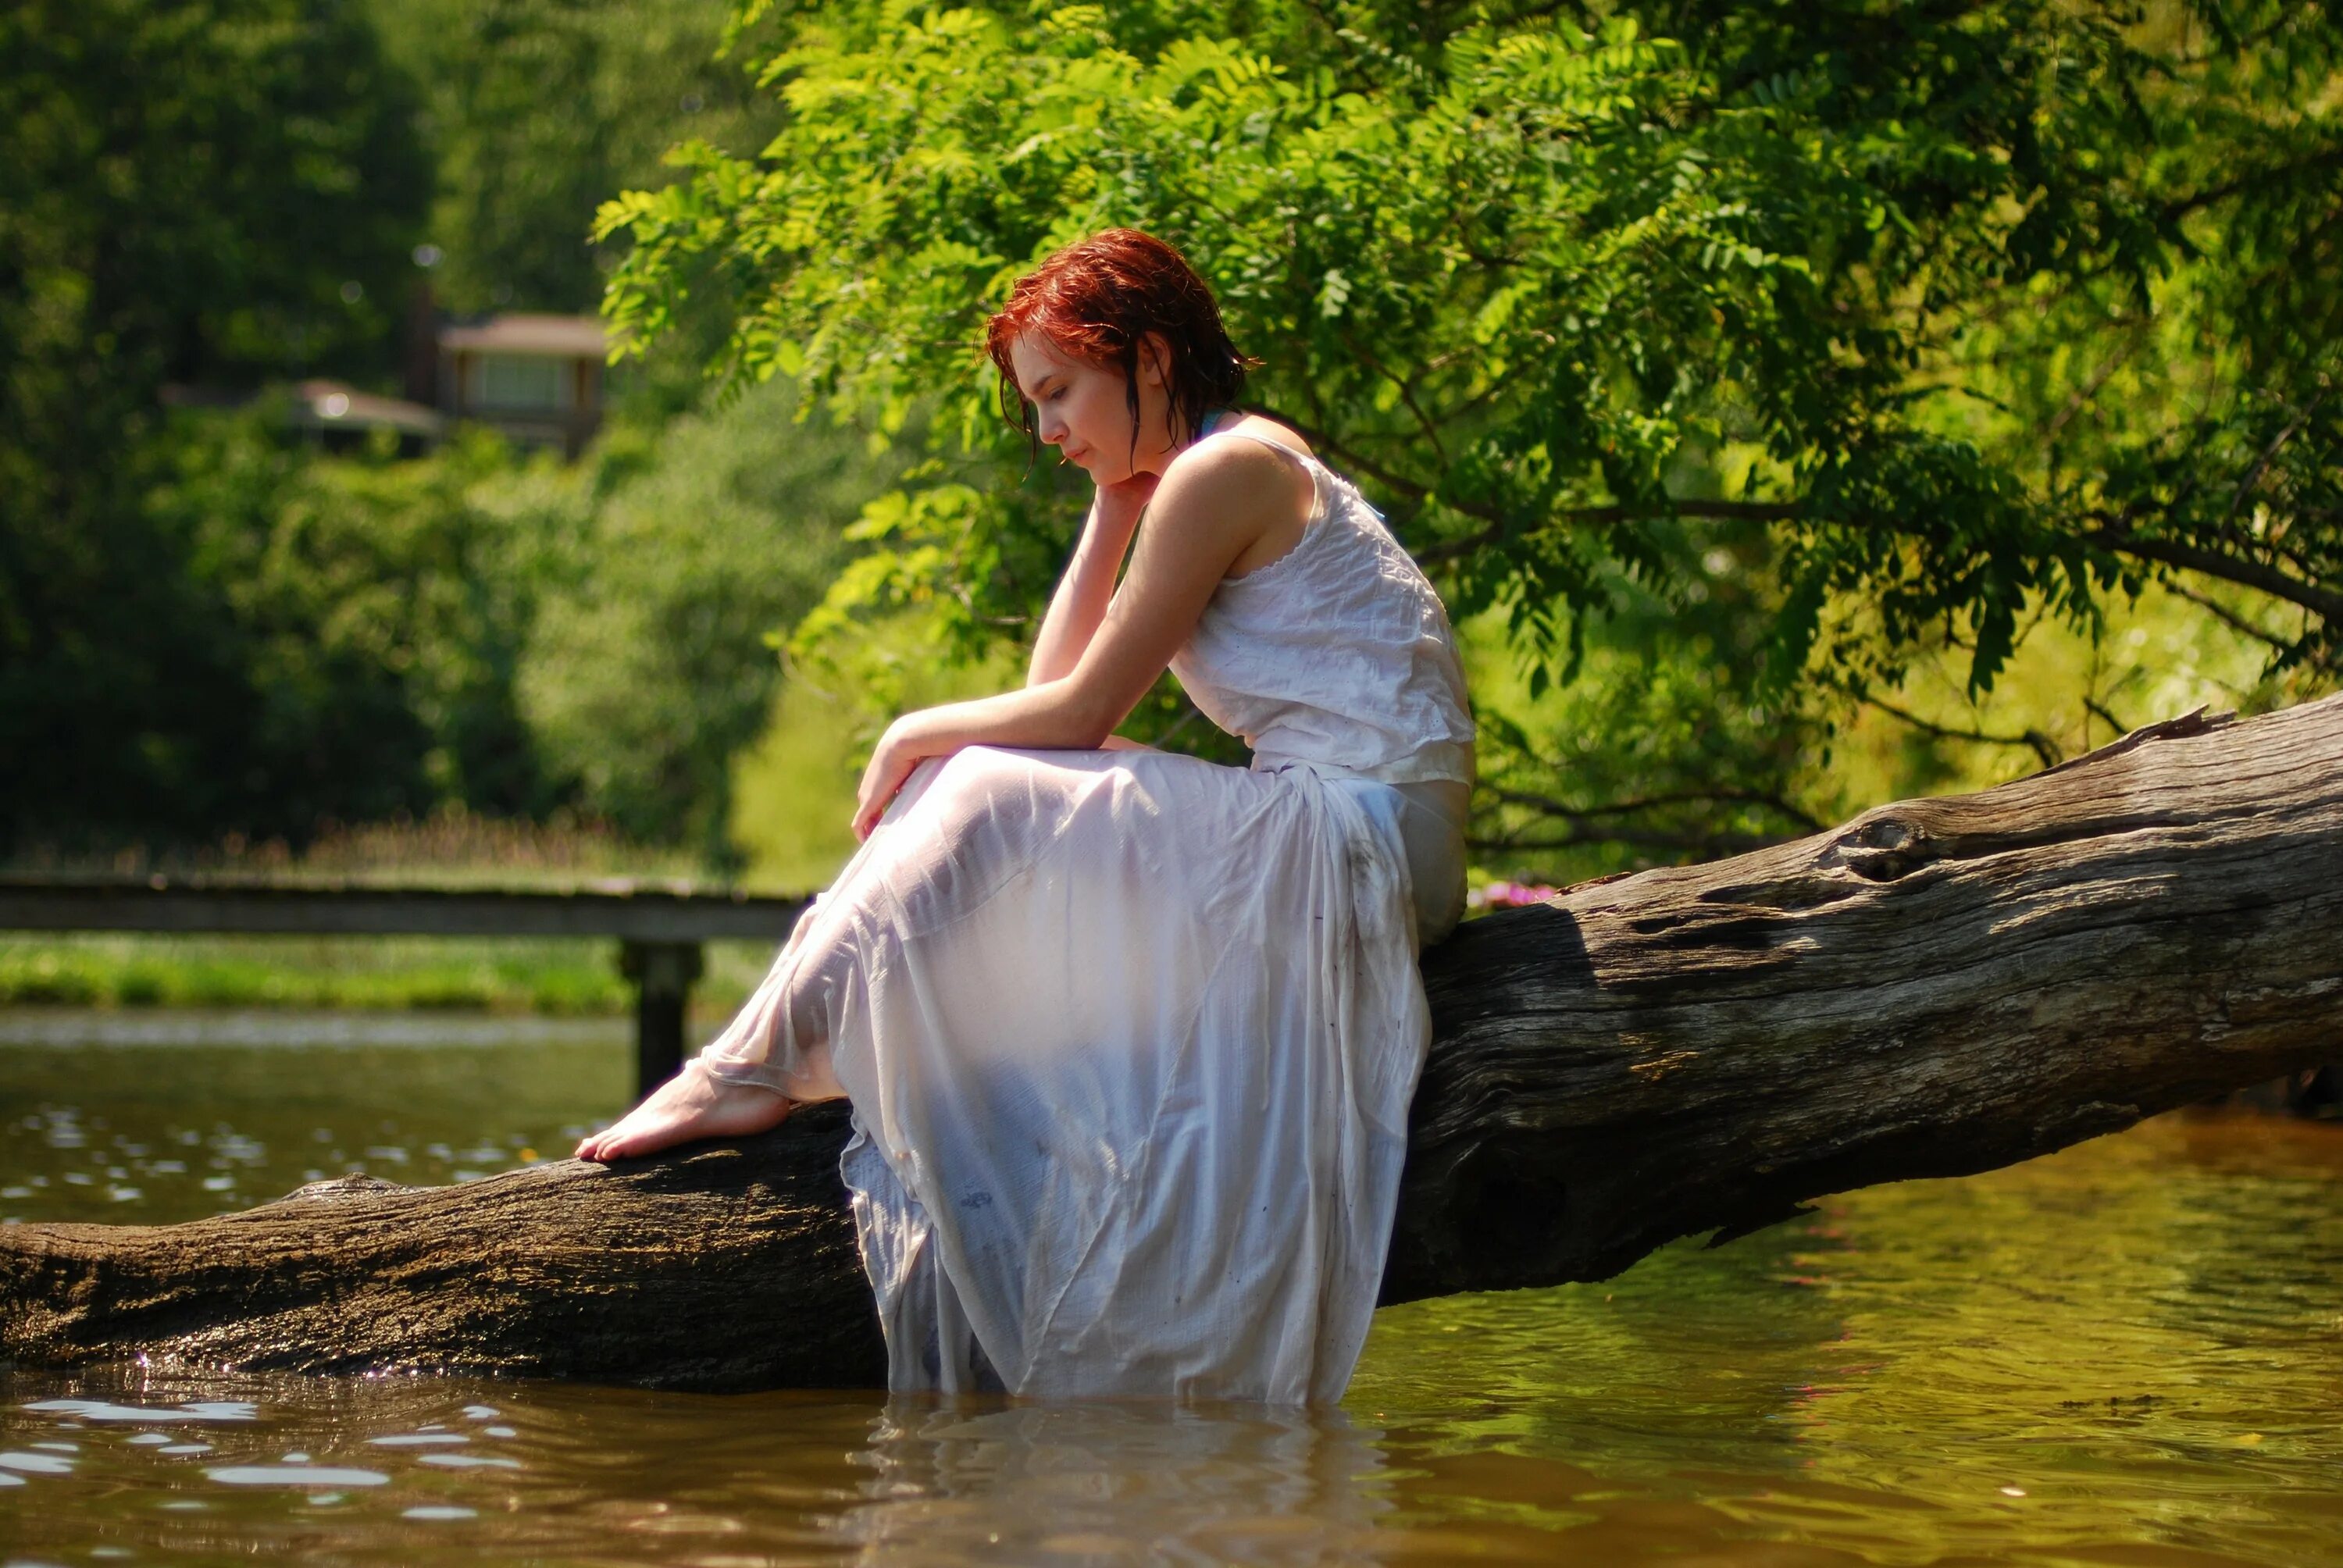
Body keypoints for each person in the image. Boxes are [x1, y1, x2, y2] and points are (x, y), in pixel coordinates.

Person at [575, 229, 1475, 1403]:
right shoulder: (1195, 475)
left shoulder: (1230, 470)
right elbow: (1067, 695)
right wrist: (1115, 498)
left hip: (1368, 845)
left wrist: (915, 728)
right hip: (1339, 830)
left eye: (1060, 394)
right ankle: (798, 1061)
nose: (1048, 431)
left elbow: (1078, 708)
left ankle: (750, 1068)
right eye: (1036, 406)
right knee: (995, 782)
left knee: (980, 785)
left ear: (1149, 357)